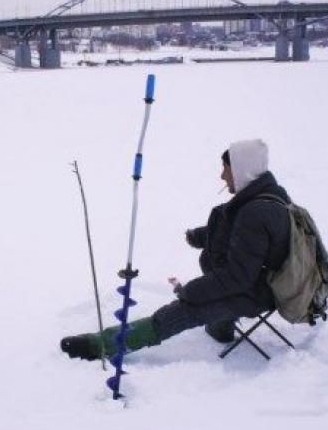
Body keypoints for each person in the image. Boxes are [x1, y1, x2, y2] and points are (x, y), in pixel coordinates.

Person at [60, 138, 291, 360]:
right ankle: (221, 326)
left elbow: (237, 277)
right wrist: (203, 236)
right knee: (209, 283)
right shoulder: (269, 197)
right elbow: (245, 238)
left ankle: (101, 344)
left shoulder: (255, 213)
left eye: (226, 168)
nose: (222, 175)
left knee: (185, 309)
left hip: (259, 291)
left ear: (242, 170)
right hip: (260, 280)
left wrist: (190, 292)